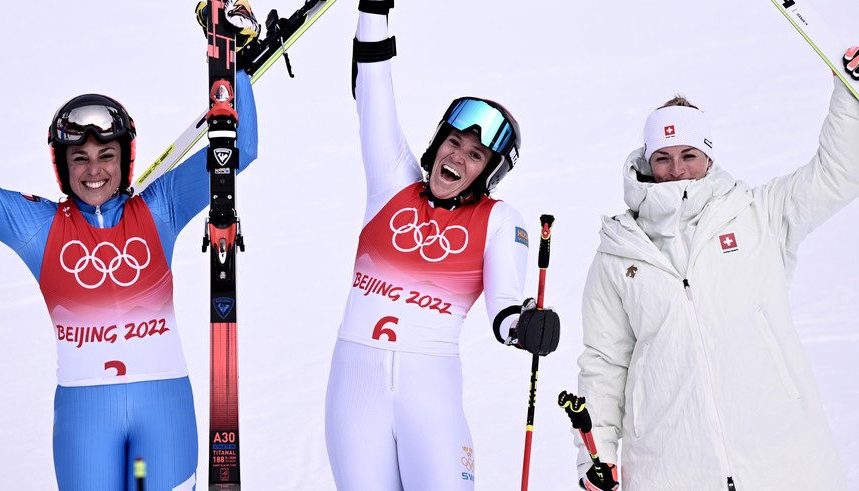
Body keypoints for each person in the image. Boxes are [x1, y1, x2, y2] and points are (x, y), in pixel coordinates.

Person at [0, 3, 260, 489]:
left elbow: (240, 151)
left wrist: (230, 60)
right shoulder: (39, 227)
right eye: (81, 158)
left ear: (126, 158)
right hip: (84, 420)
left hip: (165, 413)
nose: (94, 170)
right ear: (62, 165)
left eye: (106, 155)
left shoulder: (160, 209)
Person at [573, 48, 859, 490]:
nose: (676, 170)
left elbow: (836, 175)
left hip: (780, 452)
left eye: (688, 154)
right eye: (663, 157)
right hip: (670, 466)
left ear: (709, 155)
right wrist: (598, 455)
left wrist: (850, 95)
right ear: (647, 161)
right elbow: (604, 364)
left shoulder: (759, 214)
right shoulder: (618, 253)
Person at [323, 2, 560, 490]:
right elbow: (373, 87)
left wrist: (525, 327)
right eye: (453, 143)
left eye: (475, 155)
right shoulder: (391, 183)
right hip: (354, 389)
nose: (457, 157)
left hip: (428, 393)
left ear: (488, 173)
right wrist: (373, 9)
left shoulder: (498, 221)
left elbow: (505, 310)